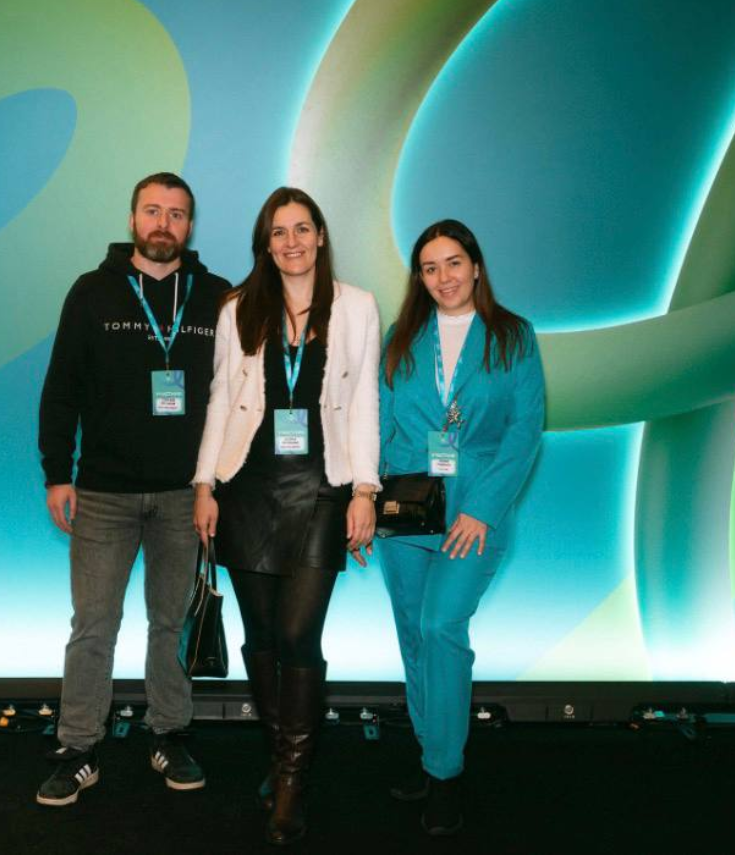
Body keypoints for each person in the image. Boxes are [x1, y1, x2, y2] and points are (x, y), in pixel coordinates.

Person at [192, 187, 381, 846]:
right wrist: (204, 483)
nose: (291, 241)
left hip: (324, 489)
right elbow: (220, 399)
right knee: (263, 637)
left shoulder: (357, 307)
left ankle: (294, 778)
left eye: (302, 229)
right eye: (279, 232)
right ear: (265, 244)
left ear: (321, 235)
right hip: (248, 487)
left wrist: (365, 489)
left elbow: (365, 402)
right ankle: (281, 755)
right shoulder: (239, 307)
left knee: (299, 634)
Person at [35, 172, 230, 807]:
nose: (163, 223)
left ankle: (169, 734)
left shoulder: (218, 297)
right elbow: (62, 386)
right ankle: (78, 747)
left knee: (170, 625)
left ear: (190, 226)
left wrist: (218, 484)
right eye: (152, 210)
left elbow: (237, 396)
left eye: (176, 213)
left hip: (184, 495)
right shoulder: (91, 292)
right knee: (94, 625)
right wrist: (57, 472)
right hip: (104, 493)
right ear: (132, 220)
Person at [376, 218, 545, 836]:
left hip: (474, 510)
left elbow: (525, 431)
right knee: (413, 638)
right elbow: (380, 422)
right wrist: (364, 500)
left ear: (475, 266)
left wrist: (482, 510)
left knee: (440, 627)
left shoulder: (513, 336)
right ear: (419, 278)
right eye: (430, 268)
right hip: (406, 508)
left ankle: (445, 773)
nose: (443, 277)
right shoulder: (401, 337)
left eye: (453, 263)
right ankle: (431, 755)